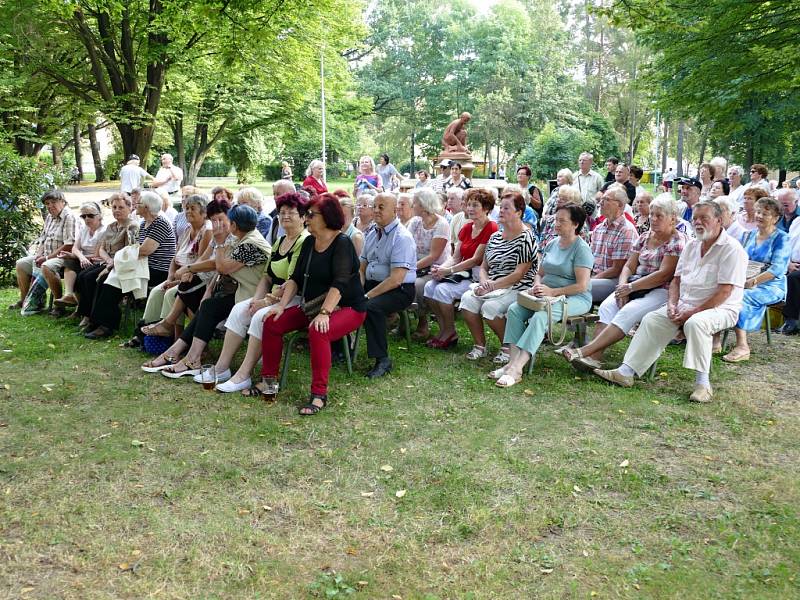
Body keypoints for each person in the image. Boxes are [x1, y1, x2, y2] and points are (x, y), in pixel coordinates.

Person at [593, 201, 747, 404]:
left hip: (720, 308)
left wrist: (691, 312)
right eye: (695, 219)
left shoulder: (731, 249)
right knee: (652, 319)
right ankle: (625, 372)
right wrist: (673, 304)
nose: (698, 223)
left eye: (705, 218)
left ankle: (703, 385)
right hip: (685, 302)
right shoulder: (692, 245)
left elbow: (725, 292)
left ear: (719, 221)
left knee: (696, 323)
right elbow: (676, 280)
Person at [259, 193, 367, 414]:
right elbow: (296, 279)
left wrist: (325, 312)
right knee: (272, 321)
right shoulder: (309, 241)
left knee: (318, 330)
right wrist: (281, 304)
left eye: (310, 214)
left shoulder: (342, 243)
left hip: (348, 308)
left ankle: (319, 395)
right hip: (314, 306)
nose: (306, 218)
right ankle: (268, 382)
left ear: (327, 217)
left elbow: (340, 283)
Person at [562, 196, 687, 372]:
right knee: (607, 307)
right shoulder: (645, 236)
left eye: (659, 215)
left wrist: (630, 288)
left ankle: (586, 351)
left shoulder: (677, 240)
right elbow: (629, 265)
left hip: (660, 290)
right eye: (651, 215)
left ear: (673, 218)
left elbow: (664, 275)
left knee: (627, 311)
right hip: (634, 286)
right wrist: (622, 287)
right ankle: (594, 358)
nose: (653, 219)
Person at [143, 205, 270, 375]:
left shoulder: (251, 243)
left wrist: (218, 243)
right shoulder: (241, 238)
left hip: (254, 297)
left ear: (233, 224)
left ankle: (187, 356)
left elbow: (222, 267)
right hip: (241, 292)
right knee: (207, 305)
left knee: (208, 306)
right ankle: (178, 353)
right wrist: (208, 288)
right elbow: (220, 268)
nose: (218, 224)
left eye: (223, 220)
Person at [202, 193, 309, 393]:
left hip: (293, 298)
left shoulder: (304, 241)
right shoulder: (280, 241)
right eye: (282, 212)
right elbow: (267, 276)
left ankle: (243, 375)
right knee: (239, 310)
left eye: (291, 213)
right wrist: (258, 299)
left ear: (303, 217)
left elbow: (293, 281)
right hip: (272, 295)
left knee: (260, 316)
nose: (285, 216)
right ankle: (222, 368)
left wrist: (267, 301)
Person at [490, 204, 592, 387]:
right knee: (514, 310)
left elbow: (582, 285)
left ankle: (517, 368)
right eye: (556, 219)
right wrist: (537, 285)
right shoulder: (553, 243)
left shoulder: (581, 249)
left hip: (575, 298)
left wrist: (553, 292)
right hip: (546, 294)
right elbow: (540, 272)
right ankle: (511, 363)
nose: (556, 224)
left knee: (541, 316)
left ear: (575, 224)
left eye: (562, 221)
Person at [460, 190, 538, 363]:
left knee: (491, 308)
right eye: (500, 207)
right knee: (467, 300)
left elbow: (519, 274)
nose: (501, 211)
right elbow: (483, 266)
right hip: (492, 285)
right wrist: (484, 281)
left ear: (518, 213)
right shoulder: (495, 237)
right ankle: (480, 345)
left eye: (507, 208)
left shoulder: (526, 237)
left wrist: (492, 286)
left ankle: (508, 347)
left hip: (517, 287)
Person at [84, 191, 176, 339]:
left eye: (138, 204)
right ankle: (97, 321)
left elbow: (145, 250)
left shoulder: (160, 223)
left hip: (158, 270)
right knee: (105, 279)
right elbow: (136, 248)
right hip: (143, 266)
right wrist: (123, 257)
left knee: (112, 282)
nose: (135, 206)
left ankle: (106, 326)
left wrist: (120, 257)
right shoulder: (144, 223)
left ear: (146, 207)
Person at [140, 198, 233, 339]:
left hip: (219, 282)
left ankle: (174, 335)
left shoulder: (219, 235)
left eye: (220, 219)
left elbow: (215, 264)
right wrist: (182, 273)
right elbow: (197, 258)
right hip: (197, 277)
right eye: (214, 220)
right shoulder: (201, 233)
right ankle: (161, 336)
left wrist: (190, 269)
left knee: (181, 291)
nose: (217, 224)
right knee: (162, 291)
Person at [425, 188, 498, 349]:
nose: (470, 208)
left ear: (486, 208)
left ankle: (450, 332)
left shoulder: (491, 227)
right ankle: (444, 329)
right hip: (465, 274)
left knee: (442, 290)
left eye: (475, 205)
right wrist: (440, 269)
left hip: (481, 277)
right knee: (430, 286)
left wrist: (448, 271)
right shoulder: (467, 228)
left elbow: (476, 259)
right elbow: (456, 256)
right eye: (469, 204)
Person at [722, 197, 789, 362]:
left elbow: (777, 269)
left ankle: (742, 346)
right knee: (722, 290)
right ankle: (716, 339)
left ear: (775, 218)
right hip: (745, 279)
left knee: (740, 296)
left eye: (765, 214)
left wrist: (752, 282)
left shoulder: (782, 238)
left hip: (771, 285)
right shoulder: (748, 235)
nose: (759, 215)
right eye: (758, 211)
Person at [360, 193, 417, 378]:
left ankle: (382, 360)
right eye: (374, 206)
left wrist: (366, 296)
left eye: (381, 207)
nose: (375, 210)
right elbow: (362, 268)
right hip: (373, 284)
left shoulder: (402, 237)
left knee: (371, 307)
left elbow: (396, 279)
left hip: (398, 290)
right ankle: (338, 349)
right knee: (339, 296)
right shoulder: (371, 233)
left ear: (395, 210)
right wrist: (357, 290)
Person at [74, 193, 139, 329]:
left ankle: (96, 319)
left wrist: (112, 261)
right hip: (107, 261)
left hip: (120, 264)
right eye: (114, 207)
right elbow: (102, 249)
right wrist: (108, 259)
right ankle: (87, 315)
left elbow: (129, 251)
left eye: (121, 207)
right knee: (83, 276)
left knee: (93, 278)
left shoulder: (132, 227)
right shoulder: (111, 226)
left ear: (130, 208)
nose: (116, 210)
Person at [12, 190, 78, 312]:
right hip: (47, 255)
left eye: (53, 202)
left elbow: (69, 244)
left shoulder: (69, 217)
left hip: (64, 257)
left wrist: (47, 258)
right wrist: (38, 255)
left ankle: (59, 304)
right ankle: (26, 300)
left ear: (63, 202)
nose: (50, 206)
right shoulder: (49, 217)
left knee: (47, 266)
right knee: (21, 264)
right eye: (47, 203)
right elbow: (43, 239)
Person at [407, 188, 451, 340]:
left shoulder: (442, 224)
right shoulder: (415, 222)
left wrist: (410, 268)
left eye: (415, 203)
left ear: (424, 205)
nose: (412, 205)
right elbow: (406, 245)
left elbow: (434, 256)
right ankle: (402, 321)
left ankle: (422, 322)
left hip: (436, 268)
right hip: (415, 264)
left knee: (417, 284)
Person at [52, 201, 107, 314]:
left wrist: (77, 257)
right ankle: (69, 295)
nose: (87, 219)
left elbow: (97, 254)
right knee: (69, 261)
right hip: (84, 260)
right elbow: (75, 248)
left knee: (79, 272)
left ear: (99, 216)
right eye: (83, 216)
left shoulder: (104, 231)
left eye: (90, 215)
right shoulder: (84, 229)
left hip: (97, 262)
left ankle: (79, 308)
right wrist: (80, 257)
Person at [589, 184, 638, 303]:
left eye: (606, 200)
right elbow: (590, 258)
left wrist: (591, 279)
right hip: (596, 277)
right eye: (601, 200)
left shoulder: (626, 230)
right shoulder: (599, 228)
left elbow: (617, 269)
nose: (601, 203)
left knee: (581, 287)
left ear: (620, 205)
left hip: (615, 281)